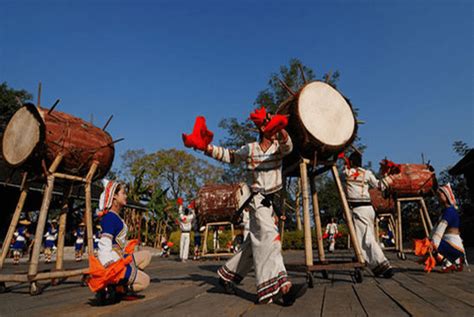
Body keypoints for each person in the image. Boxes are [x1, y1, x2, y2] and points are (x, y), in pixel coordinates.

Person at [188, 107, 305, 305]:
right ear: (263, 129)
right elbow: (229, 156)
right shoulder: (250, 149)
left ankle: (227, 276)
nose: (274, 130)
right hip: (257, 201)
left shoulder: (278, 147)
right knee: (270, 238)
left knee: (254, 246)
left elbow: (289, 147)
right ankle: (281, 286)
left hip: (272, 202)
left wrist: (283, 129)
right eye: (271, 126)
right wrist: (205, 148)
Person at [93, 179, 151, 296]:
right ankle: (118, 288)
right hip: (113, 261)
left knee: (147, 256)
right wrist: (109, 266)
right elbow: (104, 243)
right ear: (114, 196)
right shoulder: (110, 217)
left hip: (120, 256)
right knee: (145, 281)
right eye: (123, 193)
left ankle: (125, 280)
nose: (125, 196)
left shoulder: (115, 216)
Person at [344, 151, 394, 278]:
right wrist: (388, 176)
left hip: (359, 210)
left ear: (350, 162)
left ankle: (384, 264)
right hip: (368, 209)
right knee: (364, 237)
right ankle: (371, 264)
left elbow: (346, 169)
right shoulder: (366, 174)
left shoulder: (347, 173)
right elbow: (380, 185)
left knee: (366, 239)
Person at [429, 183, 466, 272]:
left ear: (446, 195)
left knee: (431, 247)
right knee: (431, 244)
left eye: (439, 195)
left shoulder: (449, 211)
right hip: (455, 245)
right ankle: (457, 261)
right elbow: (436, 228)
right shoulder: (447, 211)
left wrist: (432, 243)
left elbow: (439, 229)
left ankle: (448, 262)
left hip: (454, 244)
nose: (438, 197)